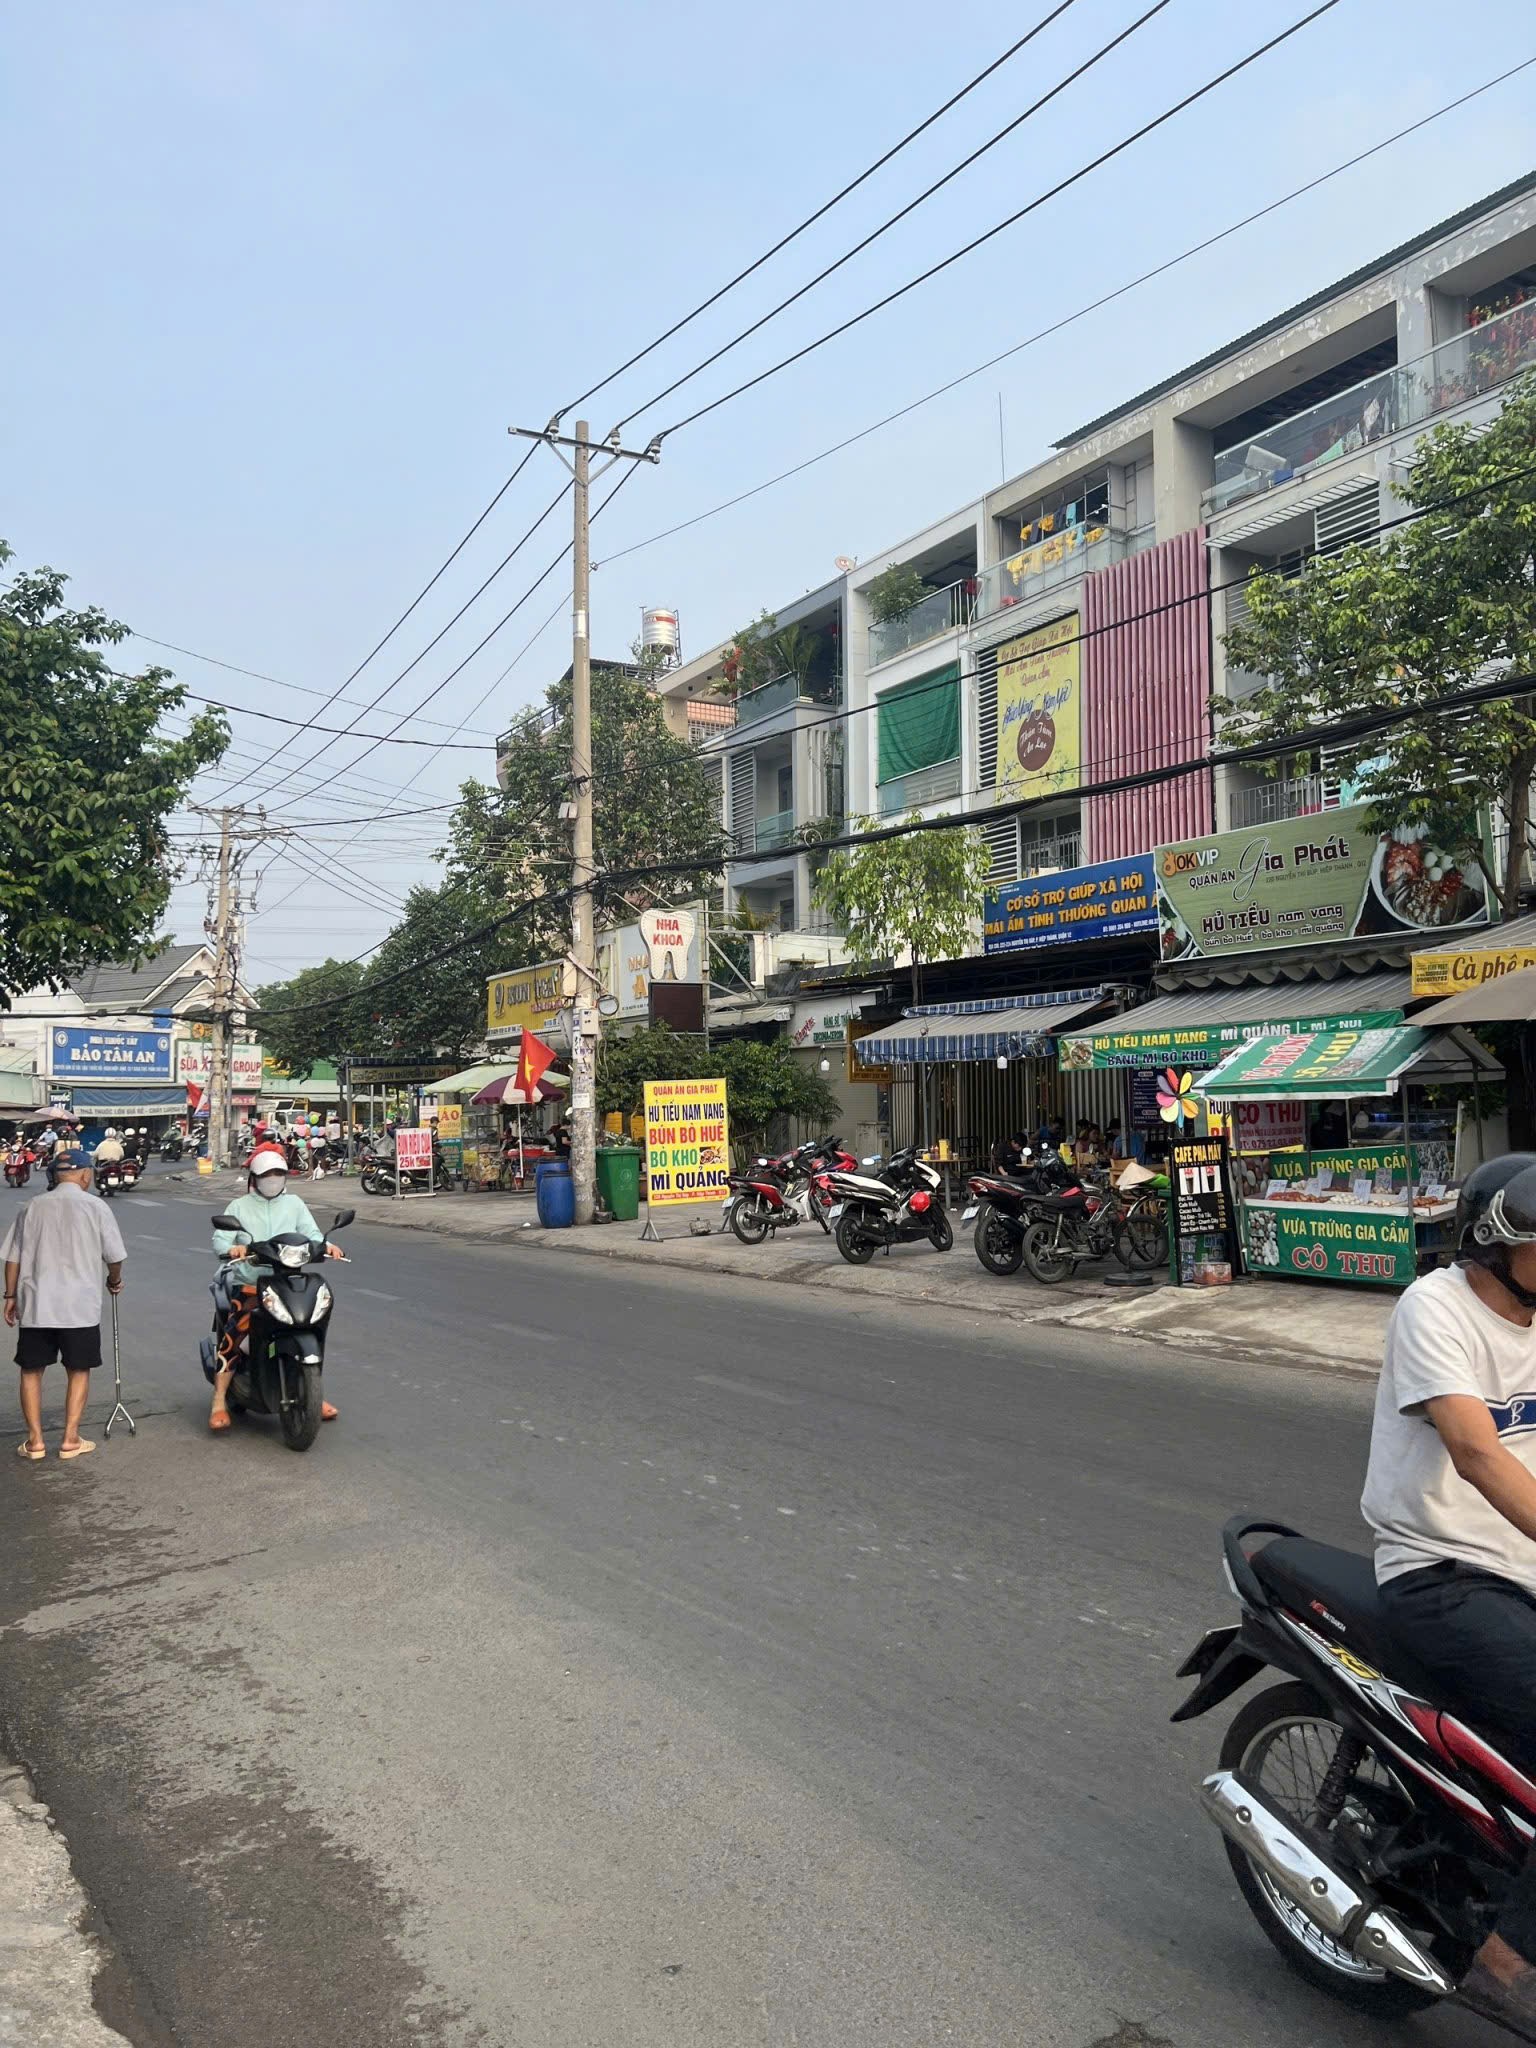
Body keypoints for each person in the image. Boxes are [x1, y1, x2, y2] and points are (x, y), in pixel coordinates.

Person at [1363, 1154, 1536, 2034]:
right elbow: (1475, 1451)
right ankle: (1506, 1961)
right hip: (1440, 1573)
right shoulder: (1435, 1308)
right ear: (1498, 1245)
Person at [209, 1143, 344, 1433]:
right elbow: (220, 1239)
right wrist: (233, 1248)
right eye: (267, 1174)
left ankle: (313, 1393)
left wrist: (327, 1245)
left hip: (288, 1281)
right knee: (234, 1337)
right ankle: (219, 1399)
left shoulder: (294, 1204)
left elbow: (311, 1233)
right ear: (255, 1178)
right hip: (250, 1284)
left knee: (311, 1325)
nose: (273, 1179)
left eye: (278, 1174)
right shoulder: (239, 1207)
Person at [2, 1145, 124, 1461]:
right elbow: (114, 1256)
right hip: (79, 1308)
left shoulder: (32, 1206)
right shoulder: (96, 1207)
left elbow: (13, 1258)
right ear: (85, 1176)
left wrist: (10, 1295)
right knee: (78, 1369)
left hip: (37, 1305)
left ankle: (35, 1442)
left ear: (55, 1176)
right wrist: (113, 1280)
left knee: (31, 1370)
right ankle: (70, 1439)